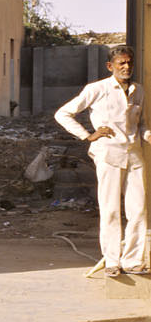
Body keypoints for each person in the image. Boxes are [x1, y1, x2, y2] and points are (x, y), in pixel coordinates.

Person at [55, 45, 147, 284]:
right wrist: (87, 135)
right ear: (110, 66)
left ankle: (133, 261)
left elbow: (142, 124)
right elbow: (63, 113)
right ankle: (113, 261)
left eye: (129, 63)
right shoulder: (97, 89)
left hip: (134, 155)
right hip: (108, 154)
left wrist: (148, 134)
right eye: (121, 64)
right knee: (111, 209)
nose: (126, 67)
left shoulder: (139, 91)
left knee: (138, 209)